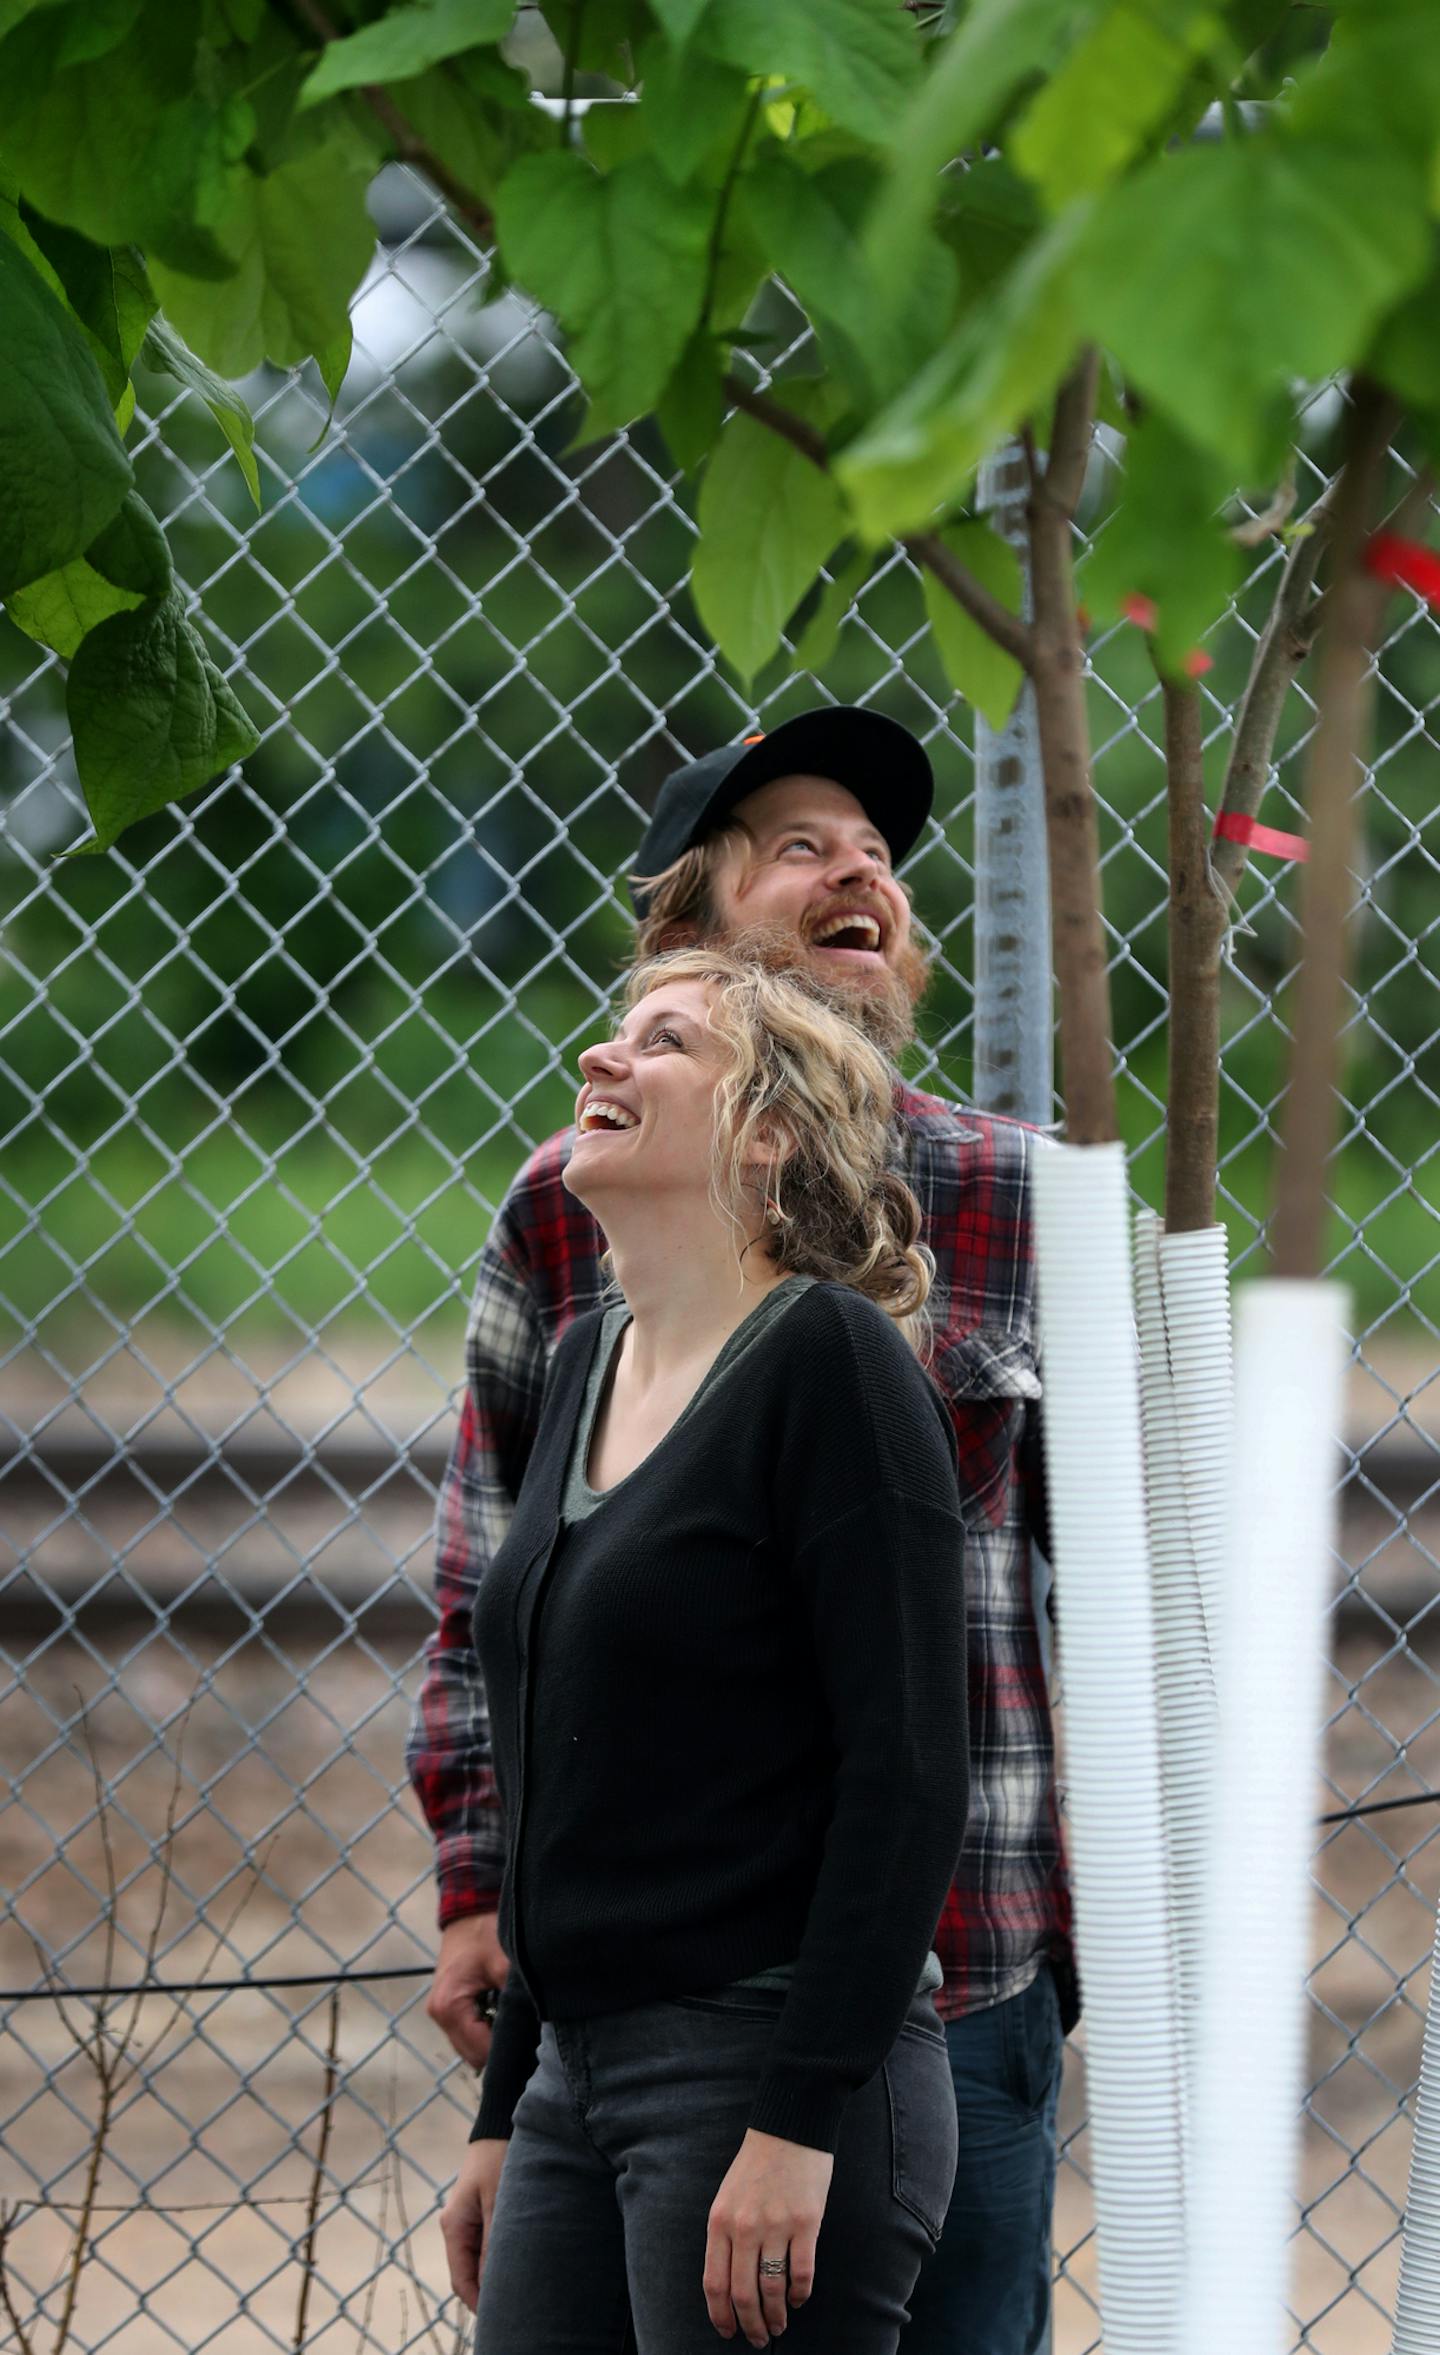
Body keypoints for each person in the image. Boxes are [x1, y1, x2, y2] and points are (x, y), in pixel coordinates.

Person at [408, 706, 1075, 2355]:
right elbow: (497, 1594)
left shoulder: (1026, 1200)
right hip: (607, 2007)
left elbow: (1133, 1613)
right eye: (800, 845)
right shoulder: (580, 1249)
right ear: (692, 936)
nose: (862, 868)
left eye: (880, 854)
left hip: (950, 1963)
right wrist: (486, 1894)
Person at [445, 944, 972, 2350]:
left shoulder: (831, 1362)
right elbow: (569, 1795)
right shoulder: (582, 1361)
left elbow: (911, 1769)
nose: (604, 1060)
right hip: (572, 2073)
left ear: (769, 1130)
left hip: (761, 2071)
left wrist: (799, 2120)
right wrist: (508, 2107)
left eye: (666, 1042)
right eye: (616, 1034)